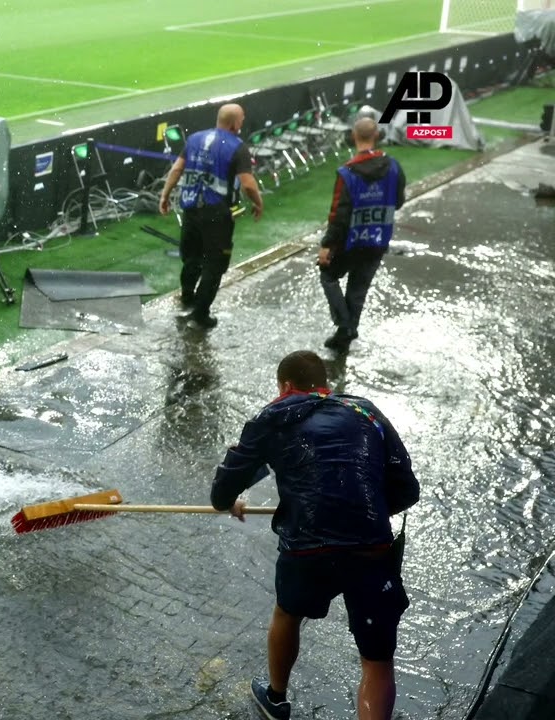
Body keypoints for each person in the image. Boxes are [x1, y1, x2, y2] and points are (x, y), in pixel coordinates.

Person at [210, 350, 420, 720]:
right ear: (325, 385)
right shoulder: (365, 411)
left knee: (288, 613)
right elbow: (407, 490)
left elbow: (223, 489)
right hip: (371, 547)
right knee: (376, 660)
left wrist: (231, 499)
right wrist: (360, 510)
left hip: (307, 549)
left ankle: (276, 698)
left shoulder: (273, 417)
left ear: (285, 385)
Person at [159, 103, 264, 329]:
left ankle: (187, 295)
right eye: (242, 120)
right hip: (217, 215)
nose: (242, 124)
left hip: (191, 210)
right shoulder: (237, 146)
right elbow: (247, 183)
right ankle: (200, 315)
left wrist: (165, 196)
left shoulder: (194, 139)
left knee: (192, 257)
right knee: (214, 265)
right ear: (235, 123)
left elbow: (177, 169)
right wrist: (258, 202)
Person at [318, 117, 406, 352]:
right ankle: (345, 334)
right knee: (358, 289)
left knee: (328, 275)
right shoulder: (394, 167)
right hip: (377, 240)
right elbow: (398, 202)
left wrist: (327, 245)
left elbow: (339, 214)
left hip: (350, 242)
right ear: (377, 135)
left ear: (354, 136)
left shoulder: (347, 173)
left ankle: (345, 327)